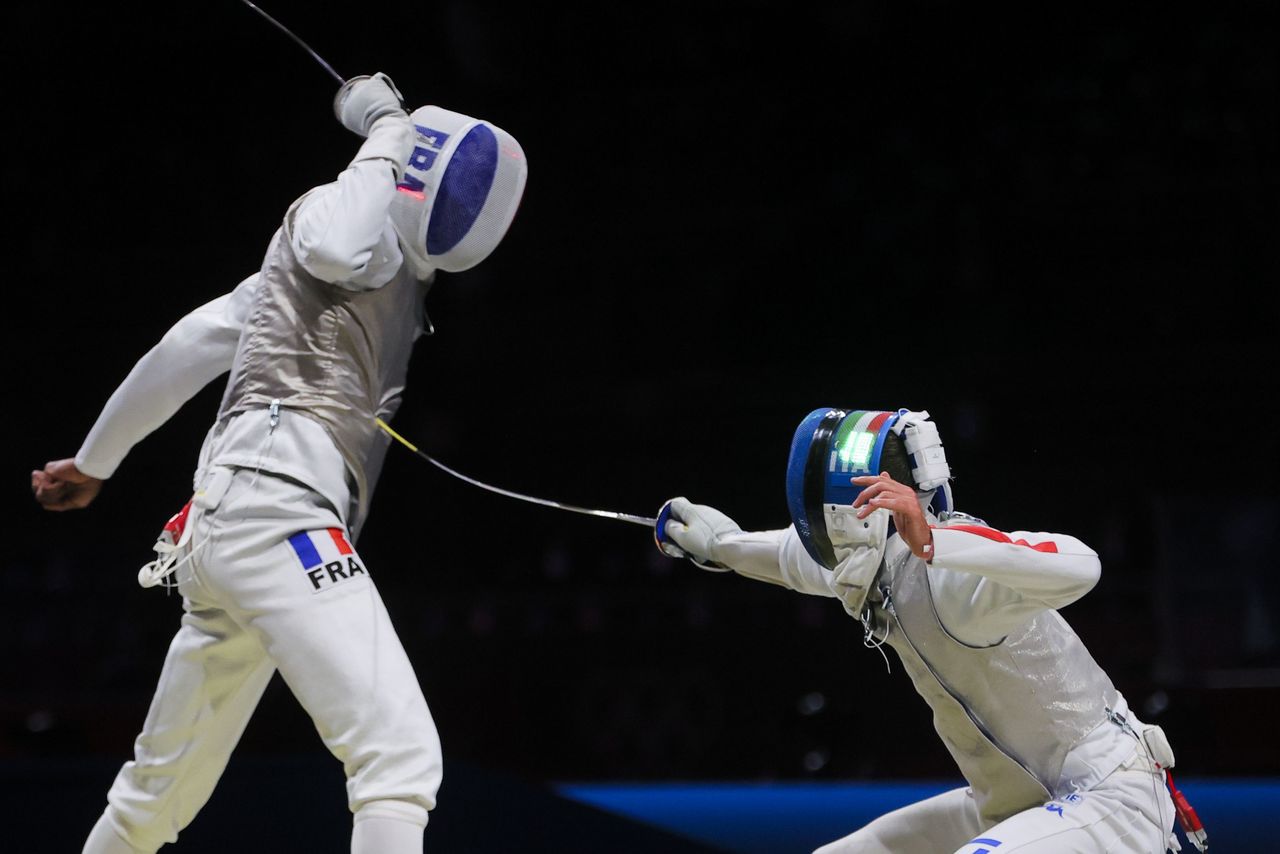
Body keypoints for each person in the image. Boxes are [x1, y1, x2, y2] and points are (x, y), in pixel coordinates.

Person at [30, 73, 527, 854]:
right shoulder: (336, 228)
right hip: (274, 513)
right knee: (397, 758)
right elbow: (334, 241)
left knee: (152, 802)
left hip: (230, 525)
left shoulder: (358, 271)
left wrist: (96, 461)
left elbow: (187, 346)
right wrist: (386, 129)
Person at [657, 407, 1203, 854]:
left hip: (1109, 796)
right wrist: (717, 544)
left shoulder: (956, 580)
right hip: (1014, 802)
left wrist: (934, 544)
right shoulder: (868, 565)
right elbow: (788, 555)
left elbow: (1082, 564)